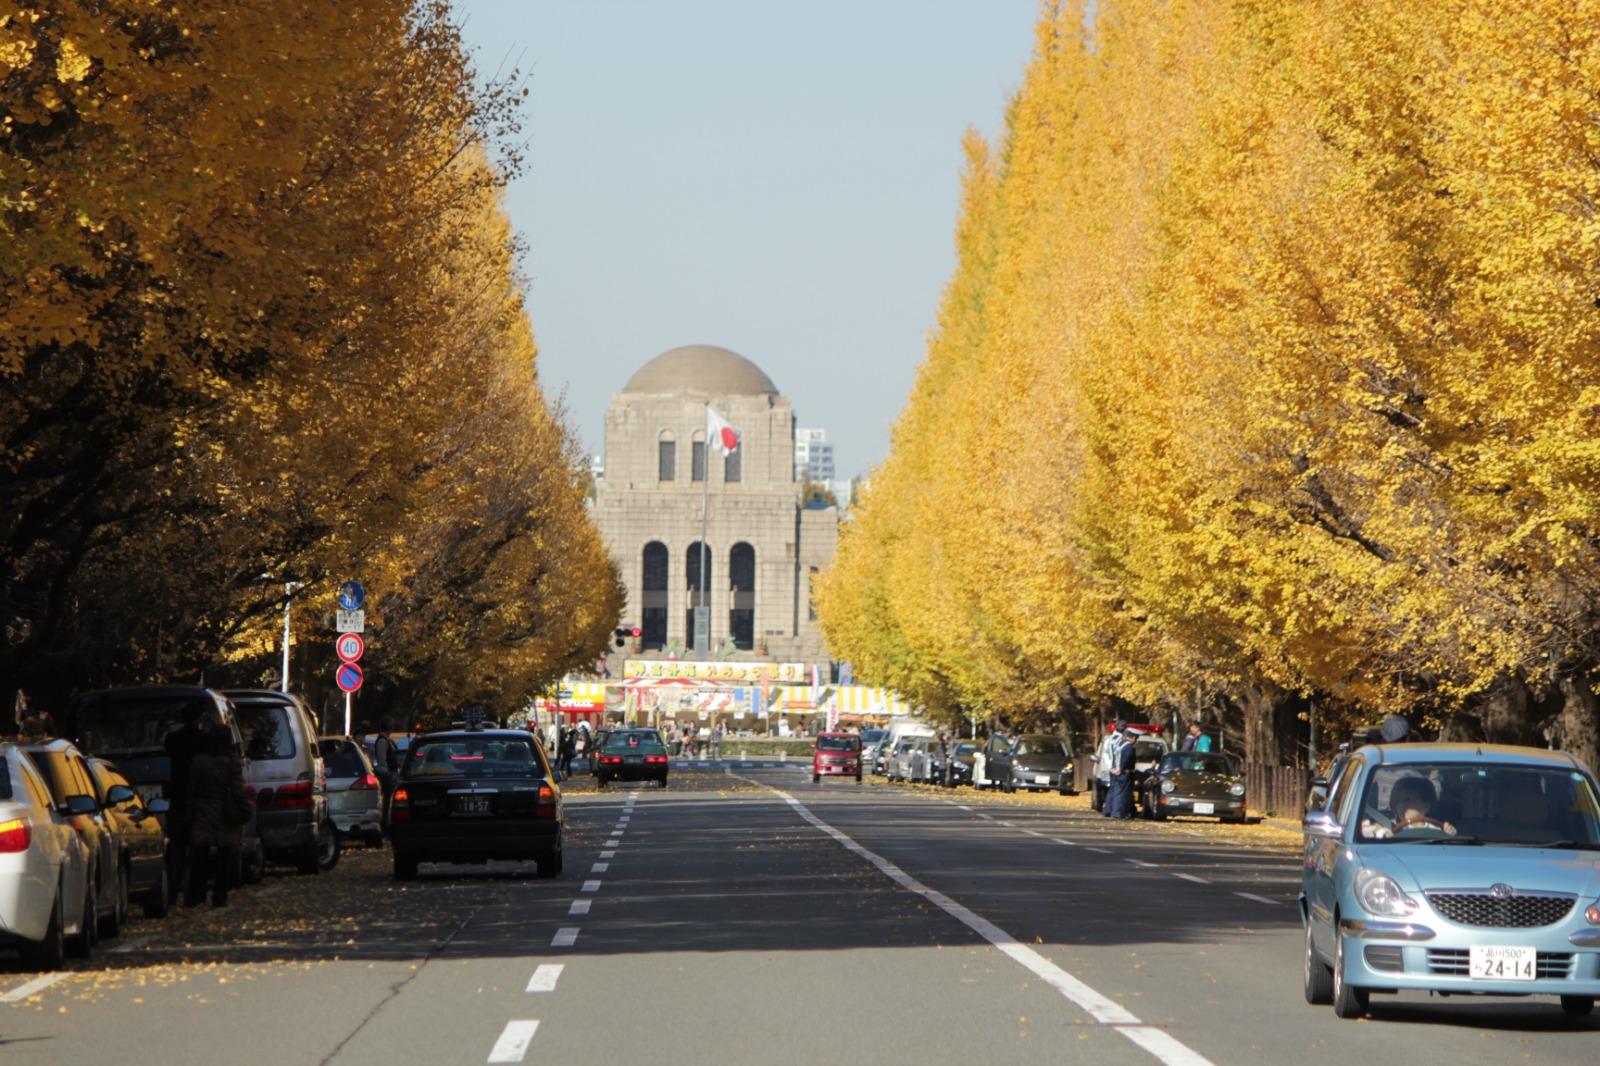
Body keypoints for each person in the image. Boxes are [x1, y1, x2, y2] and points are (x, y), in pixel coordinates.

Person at [186, 724, 251, 907]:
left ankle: (196, 895)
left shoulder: (199, 761)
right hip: (224, 811)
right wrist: (245, 809)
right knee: (224, 856)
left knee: (200, 855)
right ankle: (219, 895)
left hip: (203, 809)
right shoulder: (231, 761)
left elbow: (192, 789)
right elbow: (237, 789)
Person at [163, 702, 206, 904]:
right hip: (196, 800)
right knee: (195, 850)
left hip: (177, 798)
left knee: (177, 850)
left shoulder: (173, 740)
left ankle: (173, 892)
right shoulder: (202, 741)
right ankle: (192, 893)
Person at [1361, 775, 1455, 838]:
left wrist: (1449, 834)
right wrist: (1382, 833)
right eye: (1398, 801)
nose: (1401, 805)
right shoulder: (1387, 826)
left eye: (1407, 800)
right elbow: (1372, 830)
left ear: (1426, 805)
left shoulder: (1437, 830)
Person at [1107, 727, 1138, 819]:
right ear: (1132, 737)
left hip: (1117, 772)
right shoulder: (1129, 746)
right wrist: (1122, 768)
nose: (1136, 740)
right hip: (1125, 773)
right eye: (1136, 737)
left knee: (1117, 792)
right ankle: (1120, 813)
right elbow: (1126, 759)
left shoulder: (1120, 744)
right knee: (1123, 794)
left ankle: (1115, 812)